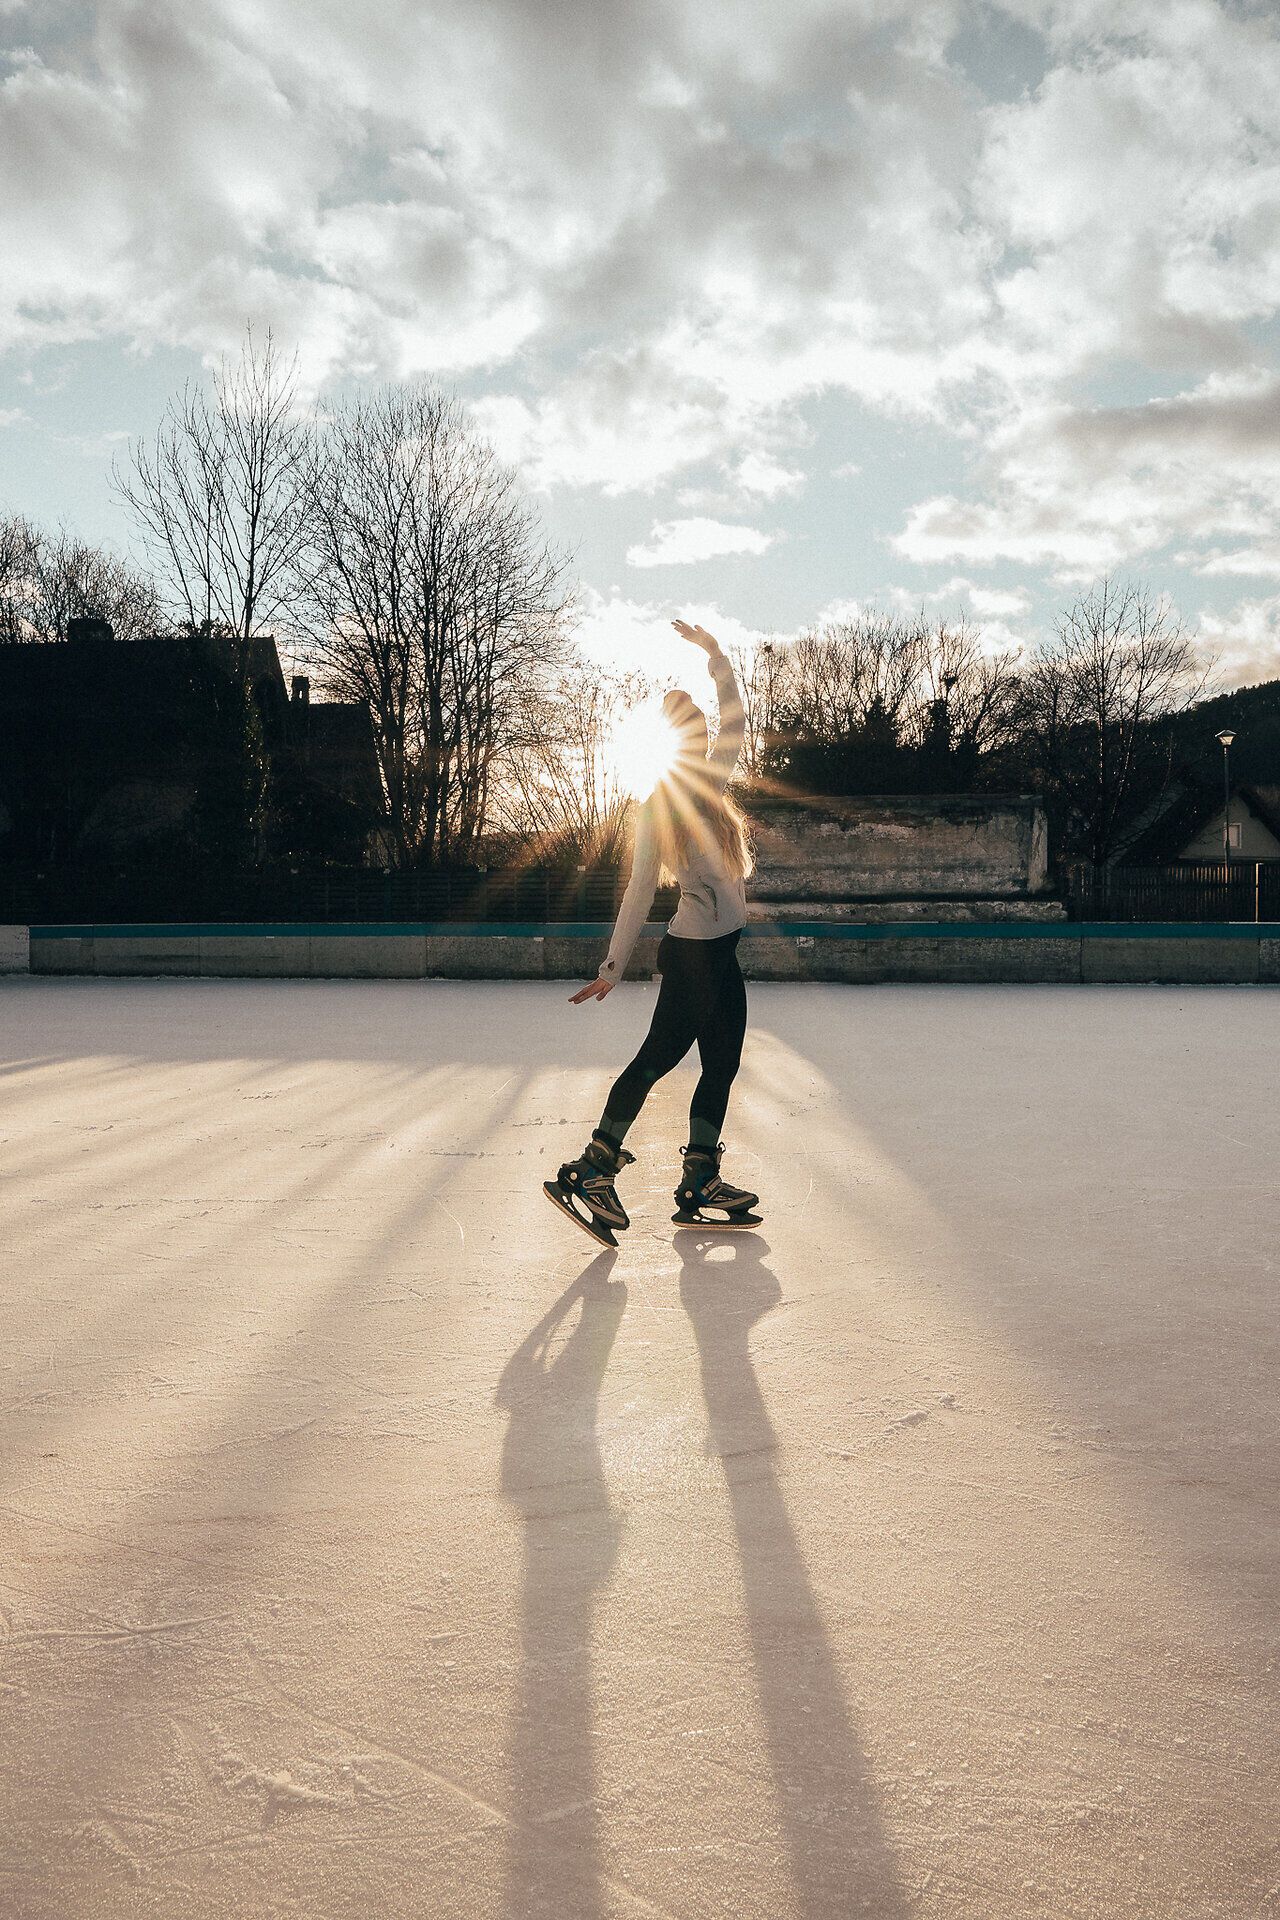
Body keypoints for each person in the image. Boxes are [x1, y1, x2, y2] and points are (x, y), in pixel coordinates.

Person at [543, 619, 761, 1245]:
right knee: (657, 1059)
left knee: (722, 1063)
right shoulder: (655, 809)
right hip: (692, 954)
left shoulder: (714, 787)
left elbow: (736, 717)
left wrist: (716, 654)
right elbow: (639, 892)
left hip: (723, 954)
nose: (702, 742)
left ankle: (699, 1177)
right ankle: (592, 1168)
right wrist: (613, 967)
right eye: (690, 734)